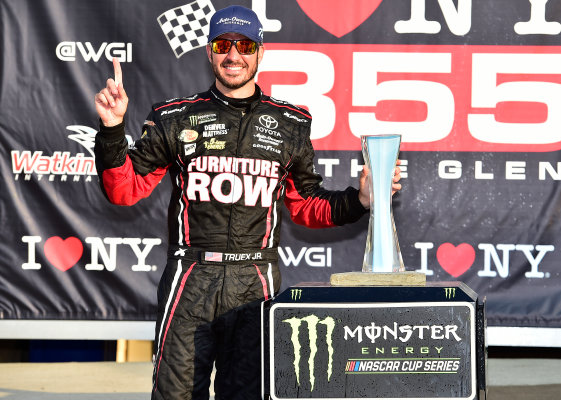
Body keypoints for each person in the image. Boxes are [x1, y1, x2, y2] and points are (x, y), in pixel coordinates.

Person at [94, 5, 401, 400]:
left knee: (251, 393)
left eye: (244, 45)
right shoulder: (176, 117)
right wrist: (113, 129)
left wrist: (361, 199)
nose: (233, 55)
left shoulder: (290, 122)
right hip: (191, 277)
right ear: (209, 51)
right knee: (176, 395)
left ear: (260, 51)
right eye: (223, 44)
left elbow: (306, 205)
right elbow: (124, 189)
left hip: (255, 280)